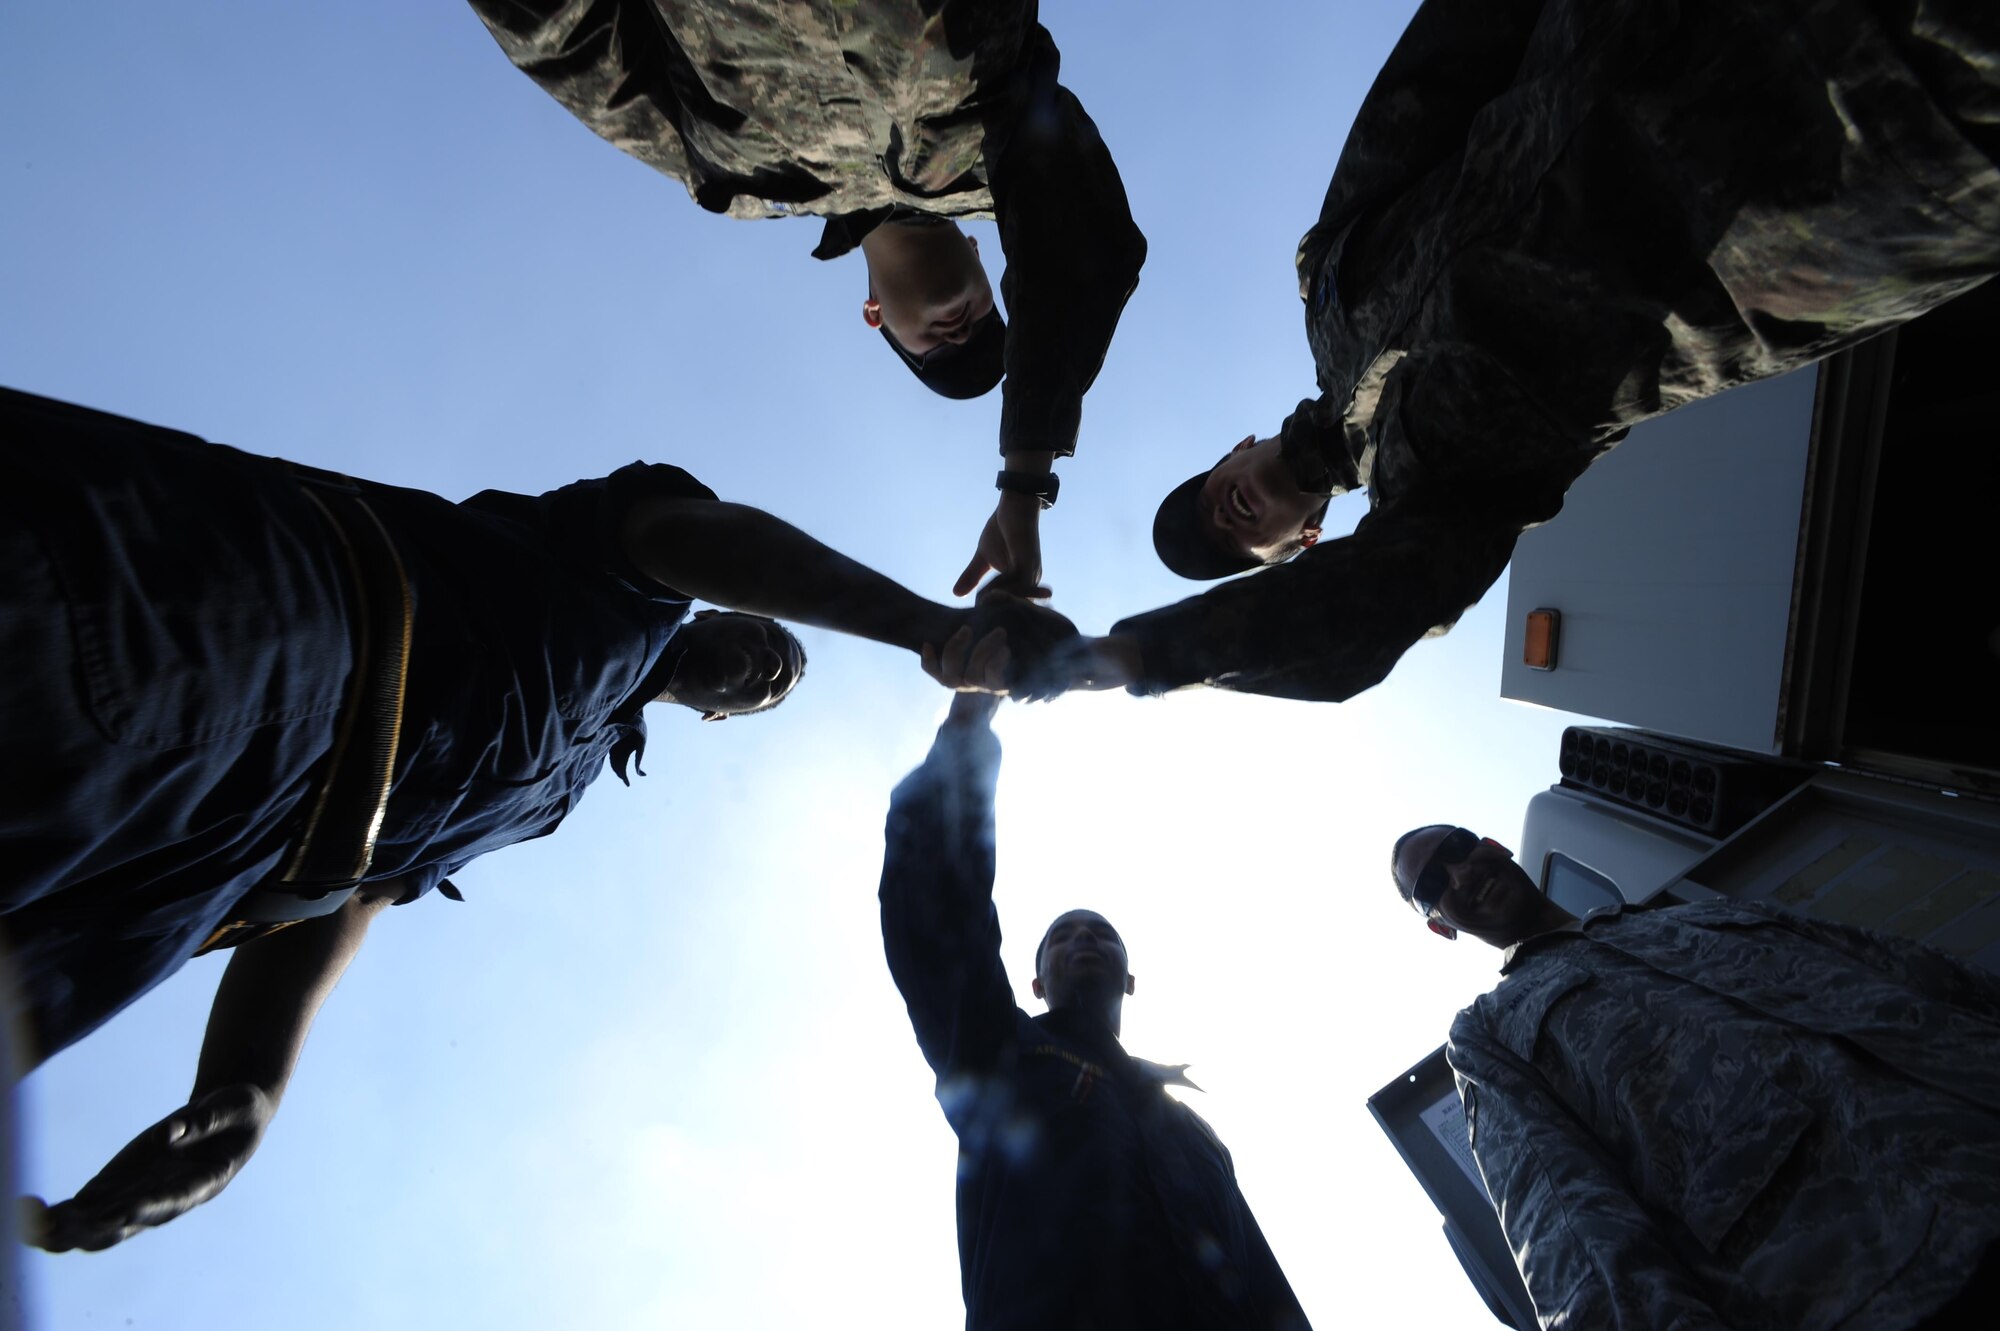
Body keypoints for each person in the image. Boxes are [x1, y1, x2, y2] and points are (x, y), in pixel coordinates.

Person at [0, 385, 1076, 1250]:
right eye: (769, 641)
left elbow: (357, 886)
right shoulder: (612, 566)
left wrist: (246, 1087)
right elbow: (701, 542)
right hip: (251, 621)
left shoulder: (551, 793)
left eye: (770, 684)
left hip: (187, 882)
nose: (763, 666)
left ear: (715, 715)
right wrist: (925, 628)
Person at [1047, 0, 2000, 703]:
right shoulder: (1427, 506)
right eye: (1228, 543)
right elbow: (1360, 625)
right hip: (1869, 154)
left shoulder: (1328, 283)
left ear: (1226, 450)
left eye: (1203, 499)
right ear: (1295, 548)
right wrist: (1138, 656)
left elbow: (1441, 67)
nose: (1224, 512)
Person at [465, 0, 1147, 600]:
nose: (964, 336)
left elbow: (572, 43)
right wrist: (1026, 477)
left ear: (874, 314)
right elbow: (1082, 247)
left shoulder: (741, 185)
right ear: (979, 252)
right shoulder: (1001, 148)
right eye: (989, 328)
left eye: (938, 352)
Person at [1389, 822, 2000, 1330]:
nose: (1460, 873)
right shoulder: (1489, 1034)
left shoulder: (1693, 920)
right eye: (1434, 885)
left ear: (1492, 845)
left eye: (1458, 848)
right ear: (1441, 926)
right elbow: (1575, 1242)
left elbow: (1915, 971)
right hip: (1890, 1281)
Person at [879, 664, 1311, 1329]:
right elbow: (942, 920)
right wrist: (967, 728)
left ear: (1130, 977)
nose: (1083, 939)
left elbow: (1262, 1276)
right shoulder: (1000, 1051)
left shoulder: (1191, 1129)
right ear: (1036, 982)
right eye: (1062, 936)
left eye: (1101, 933)